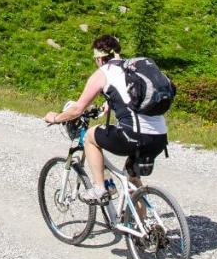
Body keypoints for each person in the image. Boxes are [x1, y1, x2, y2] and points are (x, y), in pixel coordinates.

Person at [43, 34, 168, 204]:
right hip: (159, 138)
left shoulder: (103, 73)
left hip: (133, 136)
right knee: (132, 182)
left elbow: (78, 109)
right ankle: (146, 226)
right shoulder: (131, 70)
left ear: (99, 58)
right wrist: (104, 107)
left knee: (89, 136)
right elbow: (125, 99)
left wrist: (56, 118)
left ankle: (99, 189)